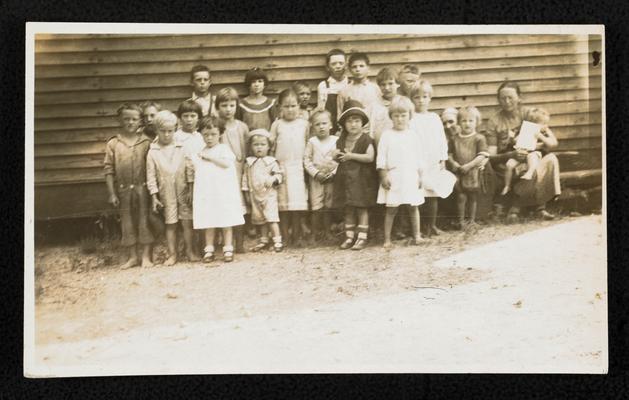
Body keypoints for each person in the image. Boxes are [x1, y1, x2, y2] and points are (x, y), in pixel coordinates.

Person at [485, 81, 561, 223]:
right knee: (524, 169)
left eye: (511, 98)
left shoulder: (531, 114)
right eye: (503, 98)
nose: (507, 102)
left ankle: (521, 207)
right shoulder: (494, 121)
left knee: (550, 160)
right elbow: (491, 156)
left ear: (519, 98)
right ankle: (535, 208)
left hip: (531, 157)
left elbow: (550, 142)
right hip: (507, 165)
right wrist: (511, 155)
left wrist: (536, 147)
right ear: (498, 100)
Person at [186, 116, 245, 263]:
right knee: (209, 221)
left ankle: (228, 248)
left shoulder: (223, 149)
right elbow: (195, 169)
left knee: (226, 220)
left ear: (220, 134)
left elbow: (226, 164)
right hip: (208, 193)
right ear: (201, 135)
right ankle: (209, 249)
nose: (210, 138)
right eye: (206, 135)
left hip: (223, 193)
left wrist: (210, 158)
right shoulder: (200, 152)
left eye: (213, 134)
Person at [104, 103, 154, 268]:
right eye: (126, 119)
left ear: (140, 121)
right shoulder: (113, 143)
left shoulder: (146, 142)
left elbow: (153, 167)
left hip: (143, 188)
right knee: (127, 222)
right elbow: (109, 170)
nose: (130, 122)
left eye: (134, 119)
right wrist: (112, 193)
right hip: (123, 190)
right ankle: (132, 257)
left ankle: (146, 256)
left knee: (144, 220)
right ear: (120, 120)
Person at [146, 111, 198, 265]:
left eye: (170, 131)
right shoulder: (153, 152)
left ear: (175, 129)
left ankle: (190, 251)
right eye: (163, 131)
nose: (167, 135)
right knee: (171, 224)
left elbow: (189, 169)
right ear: (156, 130)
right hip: (165, 192)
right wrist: (154, 197)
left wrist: (190, 188)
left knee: (187, 222)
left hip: (183, 190)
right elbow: (150, 176)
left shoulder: (181, 147)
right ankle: (172, 254)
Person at [377, 96, 425, 249]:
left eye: (403, 115)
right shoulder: (387, 135)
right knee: (391, 208)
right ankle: (387, 239)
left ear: (409, 116)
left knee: (413, 206)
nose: (400, 119)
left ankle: (417, 235)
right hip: (394, 176)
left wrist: (421, 175)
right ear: (391, 117)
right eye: (396, 116)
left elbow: (419, 157)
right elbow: (381, 157)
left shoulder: (413, 135)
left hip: (411, 175)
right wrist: (383, 175)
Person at [332, 100, 378, 250]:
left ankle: (362, 237)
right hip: (345, 178)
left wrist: (351, 156)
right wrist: (335, 155)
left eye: (357, 120)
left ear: (362, 123)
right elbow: (338, 156)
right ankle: (349, 236)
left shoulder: (366, 139)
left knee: (361, 207)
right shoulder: (342, 139)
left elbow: (370, 157)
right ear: (344, 124)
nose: (353, 124)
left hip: (361, 179)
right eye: (350, 121)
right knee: (348, 208)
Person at [409, 81, 453, 237]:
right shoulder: (411, 118)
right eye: (417, 97)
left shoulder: (434, 118)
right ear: (412, 99)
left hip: (433, 160)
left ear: (430, 98)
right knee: (419, 194)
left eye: (424, 97)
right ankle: (418, 228)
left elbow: (442, 139)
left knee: (433, 193)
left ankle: (432, 225)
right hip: (418, 161)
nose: (421, 100)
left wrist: (442, 160)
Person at [270, 89, 310, 245]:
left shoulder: (304, 124)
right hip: (282, 168)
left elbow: (308, 144)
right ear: (280, 108)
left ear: (299, 106)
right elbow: (272, 147)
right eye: (286, 106)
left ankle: (297, 237)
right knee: (283, 205)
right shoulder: (277, 124)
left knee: (297, 205)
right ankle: (285, 236)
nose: (290, 109)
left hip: (299, 167)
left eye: (293, 106)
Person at [216, 86, 249, 253]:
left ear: (237, 106)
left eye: (231, 105)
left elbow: (245, 150)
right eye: (224, 105)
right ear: (217, 107)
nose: (228, 109)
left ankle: (240, 242)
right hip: (223, 172)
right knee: (225, 205)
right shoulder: (216, 127)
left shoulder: (242, 127)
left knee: (240, 205)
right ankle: (222, 241)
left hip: (239, 171)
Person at [242, 129, 284, 252]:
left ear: (268, 146)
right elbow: (245, 178)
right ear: (251, 147)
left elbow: (279, 175)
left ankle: (277, 240)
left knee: (271, 218)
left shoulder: (271, 162)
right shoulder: (249, 162)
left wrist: (273, 179)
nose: (259, 148)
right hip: (255, 194)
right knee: (260, 219)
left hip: (268, 195)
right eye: (256, 145)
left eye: (262, 144)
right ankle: (264, 240)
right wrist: (246, 193)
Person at [448, 106, 490, 229]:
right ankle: (461, 221)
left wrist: (470, 165)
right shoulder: (454, 138)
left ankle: (471, 220)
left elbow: (482, 155)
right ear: (459, 122)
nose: (467, 124)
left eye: (471, 121)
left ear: (477, 122)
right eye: (464, 121)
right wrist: (453, 163)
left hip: (472, 172)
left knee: (472, 196)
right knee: (461, 196)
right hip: (459, 171)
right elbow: (449, 154)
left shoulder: (479, 138)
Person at [304, 110, 339, 240]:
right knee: (316, 206)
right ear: (313, 127)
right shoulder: (312, 142)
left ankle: (328, 232)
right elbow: (306, 161)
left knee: (328, 206)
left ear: (330, 125)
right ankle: (314, 234)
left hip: (331, 178)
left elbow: (339, 159)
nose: (321, 127)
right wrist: (316, 174)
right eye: (317, 124)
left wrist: (333, 173)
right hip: (317, 179)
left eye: (324, 123)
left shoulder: (336, 140)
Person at [501, 107, 552, 195]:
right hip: (521, 153)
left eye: (546, 123)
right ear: (534, 124)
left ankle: (530, 172)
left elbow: (546, 145)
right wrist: (513, 138)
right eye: (543, 123)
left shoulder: (543, 134)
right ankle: (507, 185)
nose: (546, 126)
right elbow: (516, 141)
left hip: (534, 154)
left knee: (531, 157)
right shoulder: (525, 131)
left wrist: (540, 141)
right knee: (509, 165)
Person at [337, 52, 383, 139]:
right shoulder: (344, 91)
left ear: (368, 68)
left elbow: (379, 114)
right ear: (350, 70)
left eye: (361, 66)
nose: (358, 69)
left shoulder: (375, 89)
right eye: (354, 67)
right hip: (351, 134)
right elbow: (340, 115)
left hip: (371, 132)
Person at [316, 48, 348, 134]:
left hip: (350, 128)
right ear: (328, 67)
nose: (338, 66)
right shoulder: (324, 86)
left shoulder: (350, 84)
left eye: (341, 63)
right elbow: (321, 110)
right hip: (331, 130)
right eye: (334, 64)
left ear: (346, 65)